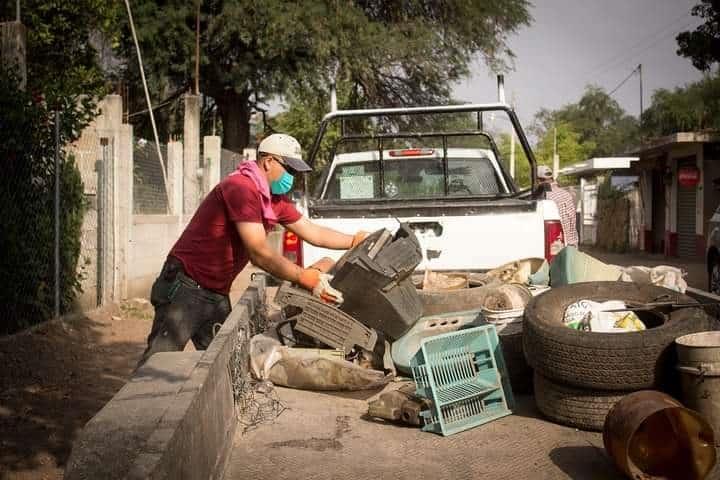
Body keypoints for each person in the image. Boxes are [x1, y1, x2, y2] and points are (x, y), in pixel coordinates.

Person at [137, 133, 367, 367]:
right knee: (157, 365)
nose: (292, 178)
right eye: (290, 170)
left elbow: (313, 232)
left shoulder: (271, 199)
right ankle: (134, 405)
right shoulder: (241, 188)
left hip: (213, 291)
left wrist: (353, 241)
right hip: (186, 286)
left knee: (229, 366)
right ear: (268, 162)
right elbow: (258, 251)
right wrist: (303, 276)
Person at [537, 165, 578, 247]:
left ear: (538, 181)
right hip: (572, 244)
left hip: (556, 245)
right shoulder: (567, 194)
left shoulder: (544, 198)